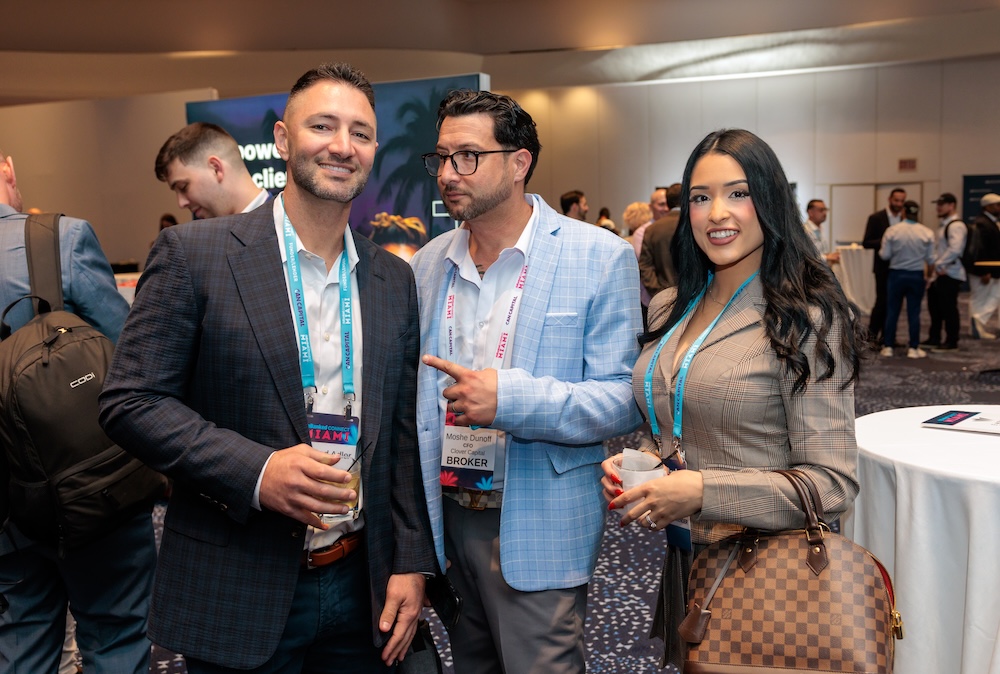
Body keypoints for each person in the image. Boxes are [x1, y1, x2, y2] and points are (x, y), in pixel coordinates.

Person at [99, 63, 436, 673]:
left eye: (360, 133)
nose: (343, 146)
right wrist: (257, 471)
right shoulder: (194, 256)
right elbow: (131, 402)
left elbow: (403, 435)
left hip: (361, 584)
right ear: (283, 139)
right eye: (322, 126)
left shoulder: (393, 279)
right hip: (239, 583)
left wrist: (410, 562)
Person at [600, 128, 862, 669]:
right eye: (701, 197)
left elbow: (833, 484)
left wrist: (702, 491)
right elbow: (683, 416)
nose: (717, 212)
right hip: (683, 556)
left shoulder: (806, 317)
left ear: (770, 201)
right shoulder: (669, 306)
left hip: (766, 568)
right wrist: (650, 464)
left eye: (738, 193)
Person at [412, 89, 643, 674]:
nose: (448, 174)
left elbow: (623, 398)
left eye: (467, 157)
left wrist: (510, 399)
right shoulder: (427, 263)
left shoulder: (600, 256)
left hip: (535, 515)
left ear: (519, 163)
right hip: (447, 511)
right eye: (441, 158)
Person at [0, 148, 154, 673]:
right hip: (93, 494)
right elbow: (129, 365)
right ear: (7, 168)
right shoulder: (58, 239)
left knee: (18, 648)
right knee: (117, 639)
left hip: (6, 515)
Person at [154, 121, 270, 220]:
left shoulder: (280, 226)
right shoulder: (208, 238)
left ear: (215, 168)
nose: (181, 203)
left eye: (183, 187)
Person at [879, 200, 935, 358]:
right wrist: (928, 277)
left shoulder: (892, 230)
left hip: (896, 274)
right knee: (914, 312)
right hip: (916, 275)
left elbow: (885, 255)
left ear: (903, 211)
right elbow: (931, 260)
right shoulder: (927, 232)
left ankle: (888, 346)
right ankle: (913, 348)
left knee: (892, 311)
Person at [922, 193, 966, 350]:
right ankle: (934, 338)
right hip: (940, 274)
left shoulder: (956, 225)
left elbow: (955, 249)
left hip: (950, 273)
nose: (938, 207)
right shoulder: (944, 225)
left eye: (942, 204)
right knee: (935, 308)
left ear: (951, 205)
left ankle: (951, 341)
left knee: (948, 309)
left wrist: (939, 265)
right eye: (938, 204)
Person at [863, 188, 906, 344]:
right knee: (882, 302)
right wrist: (887, 240)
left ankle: (889, 338)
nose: (899, 204)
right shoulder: (876, 218)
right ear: (889, 199)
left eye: (902, 201)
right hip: (882, 267)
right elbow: (866, 242)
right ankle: (872, 337)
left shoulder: (905, 219)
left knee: (896, 304)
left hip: (901, 267)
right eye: (896, 200)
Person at [638, 182, 682, 299]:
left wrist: (658, 293)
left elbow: (645, 266)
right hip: (696, 297)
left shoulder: (652, 229)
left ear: (668, 202)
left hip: (663, 296)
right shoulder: (696, 225)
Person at [966, 193, 1000, 339]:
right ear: (988, 206)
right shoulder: (983, 224)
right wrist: (984, 271)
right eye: (997, 205)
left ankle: (977, 326)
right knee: (982, 298)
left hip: (988, 268)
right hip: (984, 269)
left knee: (987, 297)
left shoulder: (987, 222)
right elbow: (981, 250)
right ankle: (977, 322)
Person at [802, 199, 840, 264]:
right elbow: (806, 256)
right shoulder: (804, 230)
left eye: (825, 210)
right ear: (810, 212)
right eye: (821, 210)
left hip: (821, 266)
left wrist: (830, 256)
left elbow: (822, 251)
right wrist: (826, 257)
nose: (824, 213)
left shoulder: (820, 229)